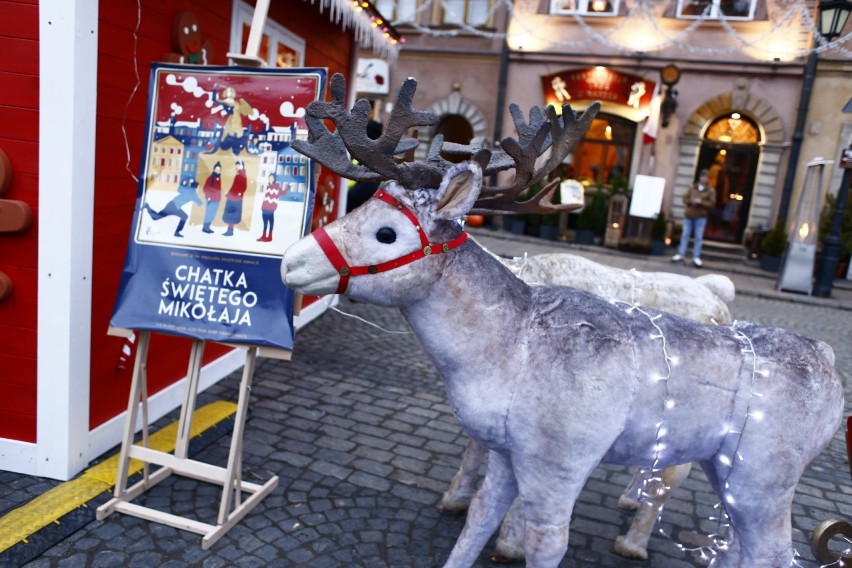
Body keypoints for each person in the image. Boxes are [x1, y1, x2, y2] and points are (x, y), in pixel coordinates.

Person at [672, 168, 716, 267]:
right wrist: (691, 201)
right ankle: (681, 254)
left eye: (706, 177)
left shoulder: (711, 190)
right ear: (700, 177)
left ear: (708, 179)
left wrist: (701, 202)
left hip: (701, 217)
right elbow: (684, 198)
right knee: (685, 235)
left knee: (698, 237)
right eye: (702, 176)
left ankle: (696, 257)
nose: (704, 178)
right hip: (689, 215)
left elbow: (712, 203)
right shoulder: (693, 187)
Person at [258, 173, 286, 242]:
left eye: (272, 178)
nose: (270, 179)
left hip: (270, 208)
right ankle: (263, 236)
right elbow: (266, 197)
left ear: (274, 179)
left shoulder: (276, 187)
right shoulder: (268, 187)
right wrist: (262, 206)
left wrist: (288, 187)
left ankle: (269, 237)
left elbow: (282, 193)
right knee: (265, 223)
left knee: (270, 222)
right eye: (269, 178)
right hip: (264, 208)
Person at [222, 160, 247, 236]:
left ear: (241, 166)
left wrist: (239, 193)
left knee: (233, 214)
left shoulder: (242, 175)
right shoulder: (238, 174)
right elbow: (234, 186)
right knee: (230, 213)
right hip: (233, 196)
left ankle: (230, 231)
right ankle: (229, 230)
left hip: (236, 198)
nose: (236, 167)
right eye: (236, 165)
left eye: (238, 165)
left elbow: (243, 186)